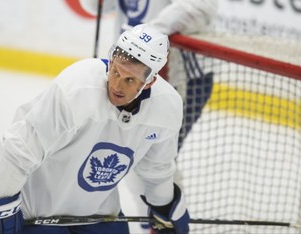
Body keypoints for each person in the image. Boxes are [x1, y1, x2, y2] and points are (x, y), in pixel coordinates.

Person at [0, 24, 190, 234]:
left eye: (130, 80)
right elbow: (19, 148)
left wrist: (163, 205)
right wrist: (2, 207)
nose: (117, 85)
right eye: (115, 71)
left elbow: (156, 167)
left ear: (149, 82)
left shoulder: (166, 107)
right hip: (37, 215)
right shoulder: (77, 89)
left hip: (101, 215)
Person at [79, 1, 218, 232]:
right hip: (133, 72)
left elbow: (202, 6)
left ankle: (164, 220)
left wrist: (148, 38)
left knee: (151, 157)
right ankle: (155, 223)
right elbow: (97, 6)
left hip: (182, 76)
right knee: (133, 156)